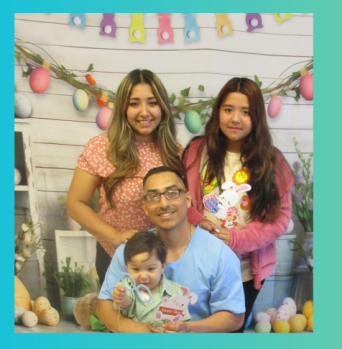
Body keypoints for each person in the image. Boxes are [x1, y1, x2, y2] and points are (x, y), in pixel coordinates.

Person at [182, 77, 295, 332]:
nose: (236, 119)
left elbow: (279, 220)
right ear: (218, 111)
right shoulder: (197, 151)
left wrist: (235, 238)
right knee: (195, 331)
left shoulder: (271, 161)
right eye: (228, 109)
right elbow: (181, 199)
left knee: (230, 331)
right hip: (200, 266)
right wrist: (199, 220)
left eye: (246, 112)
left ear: (257, 117)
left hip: (245, 270)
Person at [68, 69, 183, 288]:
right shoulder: (102, 147)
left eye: (152, 103)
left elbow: (185, 205)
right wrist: (114, 236)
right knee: (117, 318)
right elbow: (75, 204)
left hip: (163, 259)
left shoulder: (174, 151)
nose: (144, 112)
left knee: (160, 319)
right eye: (134, 104)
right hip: (116, 255)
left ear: (163, 107)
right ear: (122, 107)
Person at [96, 167, 244, 333]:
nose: (164, 204)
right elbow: (104, 305)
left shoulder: (220, 254)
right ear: (144, 207)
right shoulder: (129, 251)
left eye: (172, 193)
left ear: (187, 199)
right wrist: (136, 330)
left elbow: (234, 316)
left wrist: (188, 329)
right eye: (153, 197)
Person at [110, 231, 191, 329]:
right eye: (136, 269)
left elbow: (181, 322)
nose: (143, 276)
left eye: (151, 269)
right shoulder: (127, 286)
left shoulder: (175, 292)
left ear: (163, 267)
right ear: (127, 267)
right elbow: (126, 302)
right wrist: (121, 298)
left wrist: (178, 327)